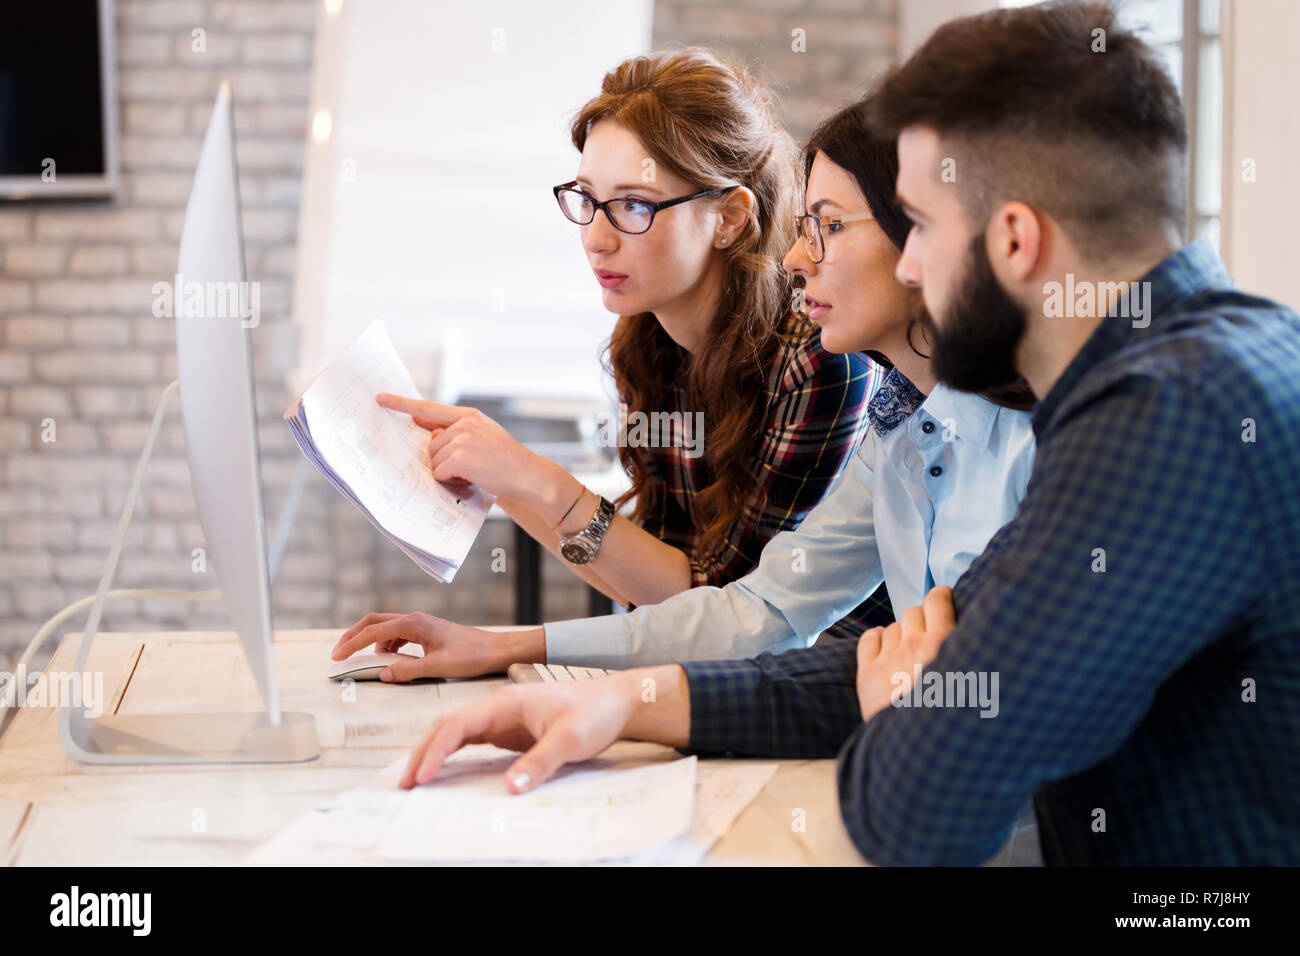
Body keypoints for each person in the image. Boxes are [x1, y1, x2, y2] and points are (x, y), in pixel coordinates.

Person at [392, 1, 1300, 867]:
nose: (911, 264)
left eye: (925, 229)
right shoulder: (1206, 362)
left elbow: (919, 809)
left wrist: (905, 709)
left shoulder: (1162, 422)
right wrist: (622, 702)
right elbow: (881, 666)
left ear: (1015, 241)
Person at [340, 48, 886, 674]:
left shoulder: (819, 356)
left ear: (729, 219)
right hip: (700, 677)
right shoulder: (648, 335)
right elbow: (650, 577)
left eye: (633, 204)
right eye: (587, 199)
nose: (597, 236)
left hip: (821, 693)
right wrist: (505, 483)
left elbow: (725, 611)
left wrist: (536, 480)